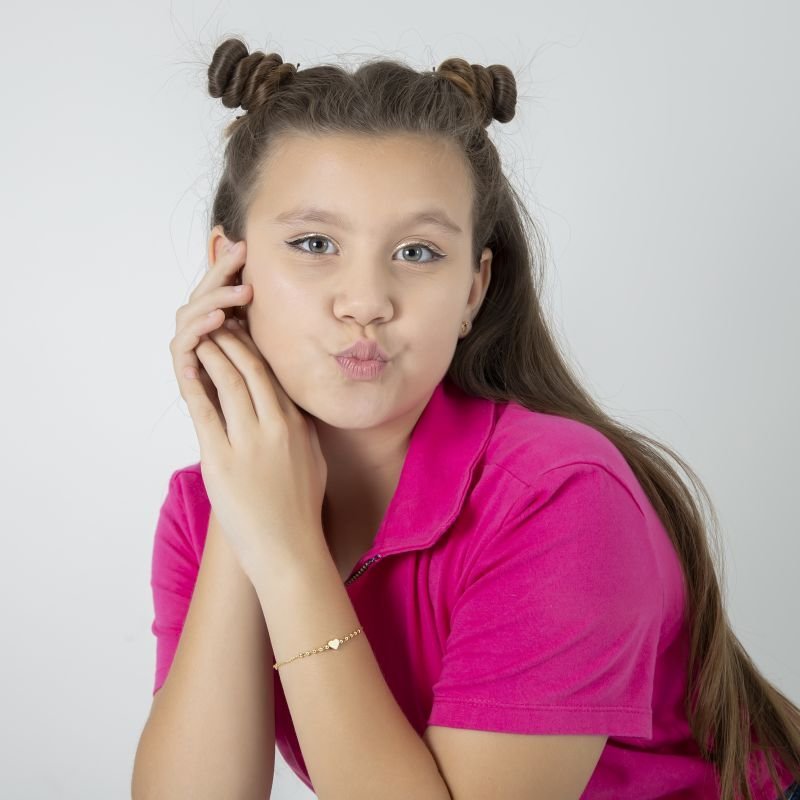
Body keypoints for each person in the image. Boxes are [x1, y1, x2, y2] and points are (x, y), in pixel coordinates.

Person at [132, 37, 800, 799]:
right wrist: (241, 505)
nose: (366, 302)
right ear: (232, 267)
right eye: (314, 244)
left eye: (416, 253)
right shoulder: (204, 505)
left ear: (474, 291)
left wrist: (285, 554)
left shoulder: (558, 493)